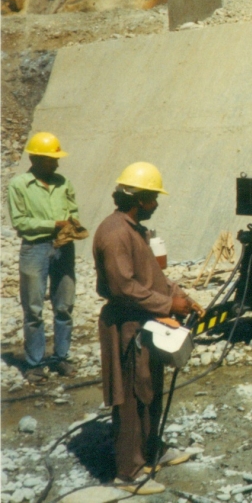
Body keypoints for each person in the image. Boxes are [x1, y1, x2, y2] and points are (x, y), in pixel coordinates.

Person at [93, 162, 203, 493]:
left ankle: (151, 448)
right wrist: (168, 306)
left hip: (145, 323)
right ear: (138, 199)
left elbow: (151, 278)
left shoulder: (134, 229)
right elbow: (123, 286)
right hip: (126, 328)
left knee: (149, 388)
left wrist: (178, 296)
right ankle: (129, 471)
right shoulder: (115, 234)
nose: (156, 204)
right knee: (129, 397)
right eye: (152, 198)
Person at [7, 132, 79, 382]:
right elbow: (20, 223)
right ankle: (34, 362)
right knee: (34, 308)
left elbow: (73, 210)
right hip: (34, 249)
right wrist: (53, 224)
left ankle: (61, 357)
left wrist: (72, 226)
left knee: (64, 306)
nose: (56, 164)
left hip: (64, 247)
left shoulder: (64, 183)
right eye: (51, 159)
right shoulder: (19, 185)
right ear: (36, 159)